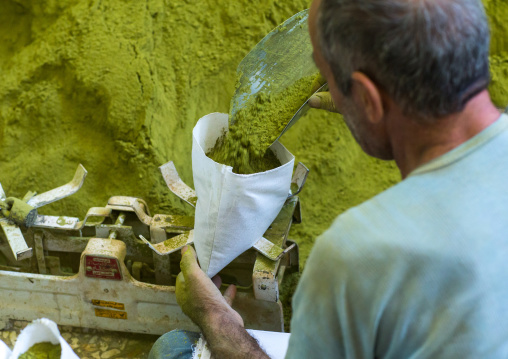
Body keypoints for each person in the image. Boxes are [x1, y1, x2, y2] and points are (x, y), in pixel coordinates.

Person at [149, 0, 508, 357]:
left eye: (327, 77)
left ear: (369, 96)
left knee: (174, 349)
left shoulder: (354, 256)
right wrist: (371, 108)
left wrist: (214, 317)